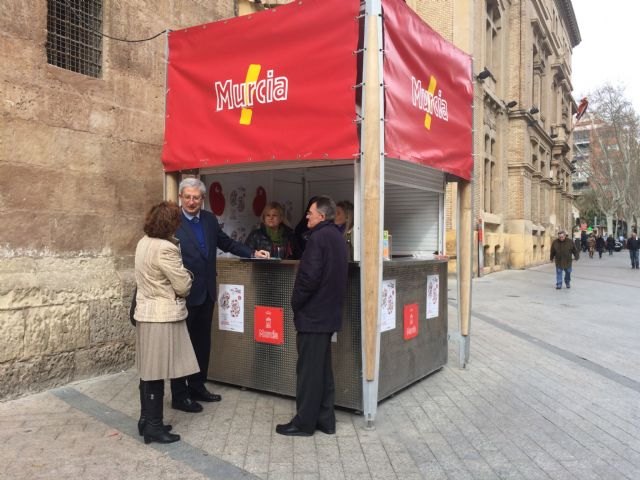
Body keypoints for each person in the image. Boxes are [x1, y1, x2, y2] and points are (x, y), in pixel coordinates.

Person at [170, 178, 270, 413]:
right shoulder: (172, 222)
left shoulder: (209, 219)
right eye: (188, 197)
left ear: (202, 199)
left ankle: (197, 386)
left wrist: (253, 253)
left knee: (202, 344)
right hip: (183, 294)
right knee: (181, 346)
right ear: (181, 198)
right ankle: (179, 395)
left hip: (207, 293)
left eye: (196, 197)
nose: (192, 201)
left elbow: (227, 243)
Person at [276, 196, 348, 437]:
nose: (306, 216)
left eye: (310, 213)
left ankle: (304, 423)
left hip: (314, 316)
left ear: (322, 216)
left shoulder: (317, 238)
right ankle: (326, 420)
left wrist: (295, 303)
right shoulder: (337, 237)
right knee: (322, 371)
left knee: (308, 372)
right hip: (327, 315)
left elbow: (309, 278)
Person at [134, 201, 198, 444]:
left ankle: (145, 419)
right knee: (156, 373)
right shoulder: (165, 248)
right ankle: (154, 426)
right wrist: (189, 276)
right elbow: (182, 285)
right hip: (162, 316)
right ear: (170, 223)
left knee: (148, 371)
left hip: (146, 313)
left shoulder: (143, 242)